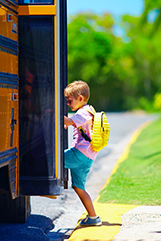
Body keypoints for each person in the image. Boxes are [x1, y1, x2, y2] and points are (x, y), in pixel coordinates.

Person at [64, 80, 102, 226]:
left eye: (69, 100)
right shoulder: (89, 110)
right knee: (78, 187)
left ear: (80, 98)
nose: (68, 104)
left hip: (79, 154)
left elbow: (69, 121)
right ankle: (93, 217)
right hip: (87, 157)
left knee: (53, 160)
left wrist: (51, 115)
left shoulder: (83, 113)